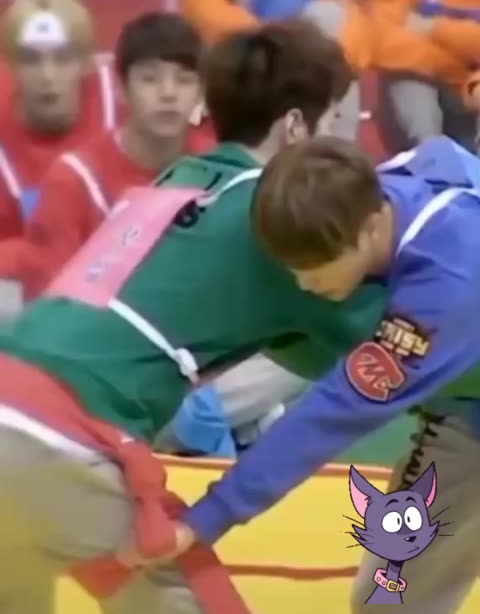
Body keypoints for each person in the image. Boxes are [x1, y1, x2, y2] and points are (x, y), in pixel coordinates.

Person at [0, 21, 387, 614]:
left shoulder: (177, 179)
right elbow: (397, 348)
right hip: (64, 441)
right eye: (333, 121)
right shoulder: (278, 218)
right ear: (294, 126)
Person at [169, 134, 480, 614]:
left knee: (392, 600)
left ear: (371, 228)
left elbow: (334, 414)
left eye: (315, 269)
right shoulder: (382, 187)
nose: (303, 283)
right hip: (460, 396)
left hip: (467, 412)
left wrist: (210, 515)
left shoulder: (447, 287)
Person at [0, 12, 208, 303]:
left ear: (201, 92)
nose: (168, 93)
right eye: (150, 79)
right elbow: (51, 307)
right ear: (121, 89)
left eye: (184, 80)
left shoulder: (221, 172)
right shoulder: (73, 183)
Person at [179, 0, 371, 139]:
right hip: (241, 85)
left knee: (327, 16)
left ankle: (335, 150)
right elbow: (209, 18)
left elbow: (357, 34)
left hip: (306, 80)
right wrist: (289, 46)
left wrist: (317, 58)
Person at [0, 0, 117, 236]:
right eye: (31, 60)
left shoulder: (122, 99)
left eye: (62, 58)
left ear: (85, 63)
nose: (47, 76)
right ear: (10, 65)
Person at [370, 0, 480, 153]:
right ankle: (431, 159)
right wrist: (464, 61)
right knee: (406, 75)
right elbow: (386, 45)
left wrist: (434, 28)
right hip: (422, 99)